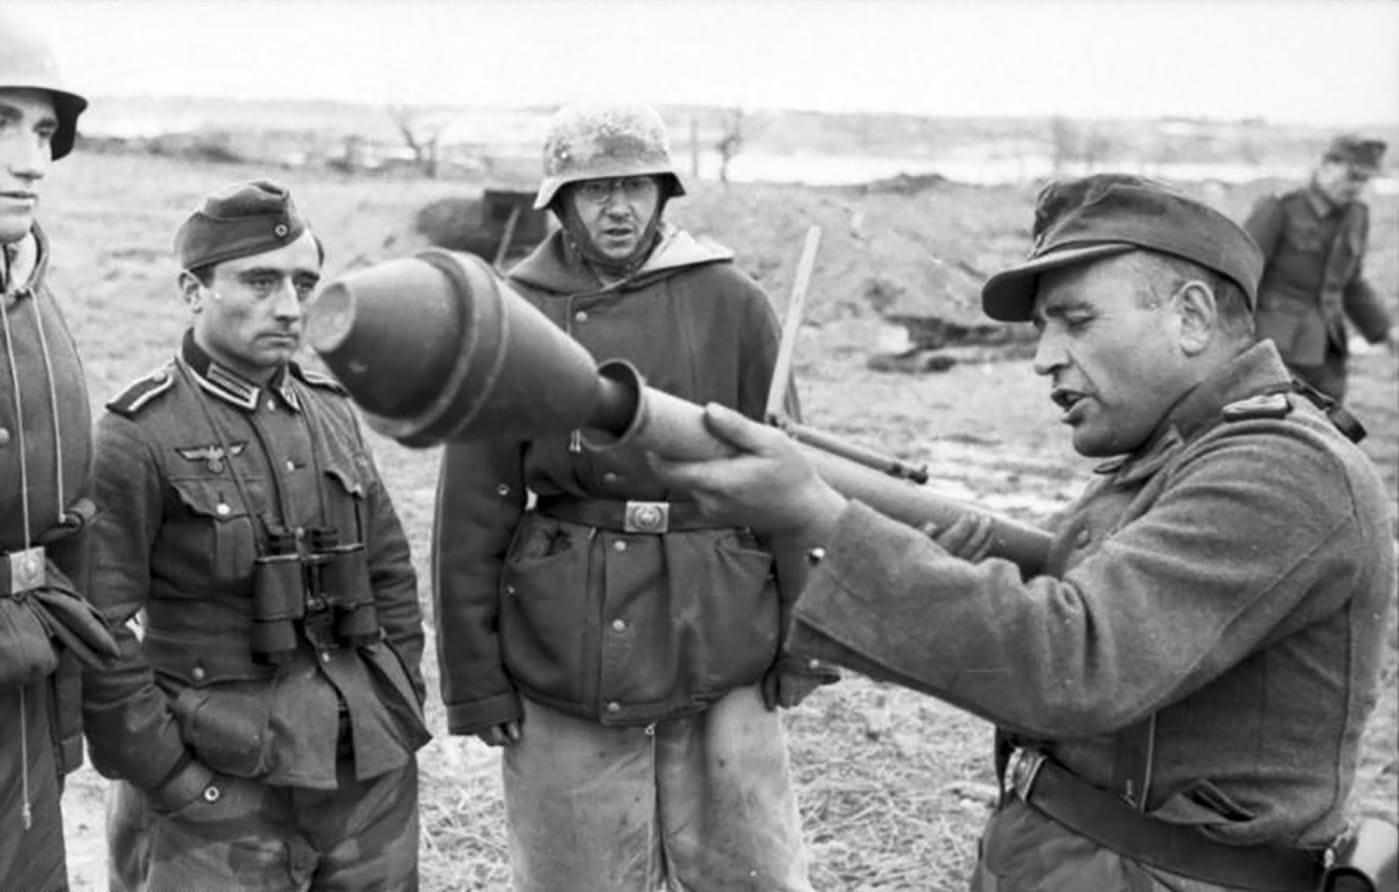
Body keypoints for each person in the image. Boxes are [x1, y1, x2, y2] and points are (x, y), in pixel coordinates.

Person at [652, 174, 1394, 891]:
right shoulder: (1180, 450)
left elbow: (1074, 660)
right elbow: (1077, 590)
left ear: (1192, 317)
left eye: (1076, 321)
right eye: (1044, 329)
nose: (1043, 359)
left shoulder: (1278, 468)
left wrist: (818, 519)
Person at [433, 101, 831, 892]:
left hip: (720, 618)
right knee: (578, 871)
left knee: (744, 867)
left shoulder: (732, 302)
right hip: (566, 630)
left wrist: (807, 633)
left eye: (635, 187)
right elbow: (475, 507)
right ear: (559, 203)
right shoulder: (515, 313)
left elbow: (790, 487)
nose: (617, 208)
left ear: (663, 193)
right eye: (593, 190)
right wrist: (475, 680)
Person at [83, 180, 430, 891]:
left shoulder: (331, 411)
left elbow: (390, 577)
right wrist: (172, 778)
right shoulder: (138, 434)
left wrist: (400, 704)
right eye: (261, 281)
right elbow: (98, 631)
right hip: (216, 783)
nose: (290, 307)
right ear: (193, 290)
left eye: (304, 283)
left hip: (363, 773)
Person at [0, 9, 117, 891]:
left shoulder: (34, 298)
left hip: (28, 679)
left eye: (44, 130)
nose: (32, 161)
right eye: (2, 123)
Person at [1243, 134, 1394, 402]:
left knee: (1330, 429)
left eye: (1364, 180)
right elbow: (1242, 270)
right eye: (1352, 177)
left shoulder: (1357, 216)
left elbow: (1351, 283)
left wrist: (1384, 331)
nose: (1356, 187)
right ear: (1326, 166)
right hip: (1276, 350)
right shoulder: (1281, 208)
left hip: (1328, 353)